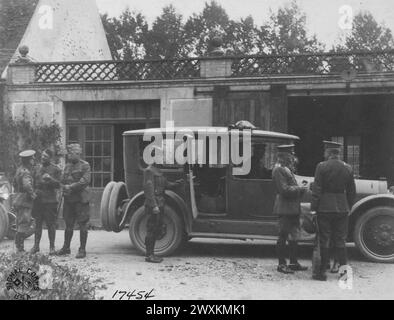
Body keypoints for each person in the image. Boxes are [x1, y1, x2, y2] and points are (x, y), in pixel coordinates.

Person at [311, 141, 356, 281]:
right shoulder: (347, 168)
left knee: (324, 239)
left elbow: (317, 189)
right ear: (338, 153)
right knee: (340, 240)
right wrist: (348, 206)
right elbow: (352, 191)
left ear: (329, 153)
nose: (324, 154)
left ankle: (322, 273)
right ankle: (344, 274)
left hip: (324, 207)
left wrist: (314, 208)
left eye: (325, 152)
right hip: (342, 208)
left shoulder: (321, 166)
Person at [272, 144, 308, 274]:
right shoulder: (279, 170)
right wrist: (301, 189)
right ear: (284, 156)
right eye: (291, 154)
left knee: (294, 235)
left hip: (292, 207)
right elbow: (284, 190)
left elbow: (289, 187)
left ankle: (293, 263)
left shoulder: (286, 169)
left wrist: (299, 188)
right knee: (283, 235)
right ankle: (281, 265)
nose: (293, 157)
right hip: (285, 207)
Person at [143, 147, 183, 263]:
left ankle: (152, 254)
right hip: (153, 204)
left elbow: (165, 184)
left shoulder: (158, 170)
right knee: (151, 229)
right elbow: (148, 190)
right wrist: (154, 206)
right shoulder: (149, 171)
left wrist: (176, 184)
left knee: (156, 229)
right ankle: (149, 255)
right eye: (160, 156)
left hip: (160, 202)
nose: (161, 158)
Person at [56, 144, 91, 259]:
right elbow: (61, 180)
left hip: (81, 200)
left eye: (71, 153)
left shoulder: (85, 166)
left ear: (77, 153)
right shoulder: (67, 166)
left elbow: (85, 181)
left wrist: (70, 187)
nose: (69, 155)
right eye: (69, 153)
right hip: (69, 200)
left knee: (82, 224)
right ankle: (66, 247)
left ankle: (82, 249)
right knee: (68, 224)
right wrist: (63, 186)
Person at [30, 149, 62, 255]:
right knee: (37, 224)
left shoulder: (56, 169)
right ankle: (36, 246)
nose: (43, 157)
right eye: (42, 156)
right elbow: (33, 183)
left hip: (50, 201)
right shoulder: (36, 168)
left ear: (50, 158)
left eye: (46, 156)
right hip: (38, 201)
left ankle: (52, 247)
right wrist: (33, 193)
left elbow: (59, 184)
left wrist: (51, 179)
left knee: (51, 225)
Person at [13, 150, 37, 253]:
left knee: (19, 223)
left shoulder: (19, 170)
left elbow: (14, 183)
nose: (34, 160)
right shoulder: (26, 172)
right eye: (32, 158)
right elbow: (27, 185)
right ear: (28, 160)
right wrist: (32, 194)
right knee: (24, 223)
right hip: (25, 200)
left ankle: (18, 246)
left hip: (18, 198)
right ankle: (20, 248)